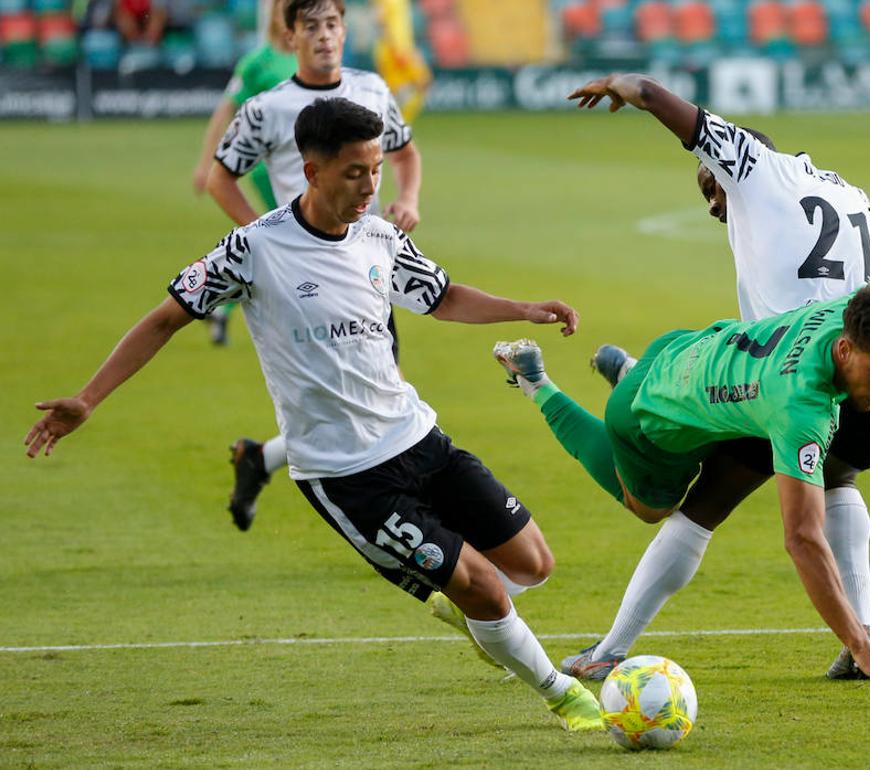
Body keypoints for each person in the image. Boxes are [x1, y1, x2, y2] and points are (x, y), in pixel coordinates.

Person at [24, 97, 601, 732]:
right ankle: (564, 696)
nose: (369, 185)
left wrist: (523, 307)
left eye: (376, 169)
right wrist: (87, 398)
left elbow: (439, 297)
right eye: (354, 171)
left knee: (532, 565)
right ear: (312, 170)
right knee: (485, 588)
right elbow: (165, 318)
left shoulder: (380, 235)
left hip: (417, 437)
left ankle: (472, 616)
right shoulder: (254, 249)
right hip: (349, 474)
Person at [544, 73, 870, 683]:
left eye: (710, 186)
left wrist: (625, 86)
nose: (712, 204)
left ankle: (611, 647)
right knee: (839, 480)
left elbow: (662, 101)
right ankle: (864, 635)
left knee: (701, 508)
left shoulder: (751, 166)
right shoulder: (845, 191)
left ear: (727, 161)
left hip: (784, 379)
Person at [494, 283, 870, 703]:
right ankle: (537, 382)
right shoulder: (800, 409)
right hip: (647, 417)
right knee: (649, 506)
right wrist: (859, 643)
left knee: (721, 447)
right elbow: (802, 539)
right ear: (847, 350)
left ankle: (631, 368)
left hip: (688, 349)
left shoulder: (853, 312)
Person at [206, 0, 425, 529]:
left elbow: (405, 152)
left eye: (332, 25)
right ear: (289, 36)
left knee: (372, 397)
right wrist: (264, 243)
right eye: (311, 27)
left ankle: (262, 460)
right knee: (356, 402)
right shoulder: (267, 108)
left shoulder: (371, 88)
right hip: (302, 277)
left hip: (366, 268)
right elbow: (221, 178)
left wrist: (409, 199)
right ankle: (401, 521)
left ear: (346, 31)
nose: (324, 36)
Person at [192, 0, 296, 346]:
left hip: (309, 170)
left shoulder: (312, 59)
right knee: (288, 243)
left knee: (277, 245)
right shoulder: (257, 63)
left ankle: (216, 300)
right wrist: (205, 163)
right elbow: (225, 111)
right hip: (270, 169)